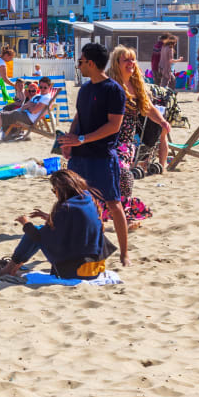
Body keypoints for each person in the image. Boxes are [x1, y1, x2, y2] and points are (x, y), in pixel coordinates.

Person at [56, 42, 130, 265]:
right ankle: (75, 249)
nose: (78, 65)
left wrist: (82, 139)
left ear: (90, 63)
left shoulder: (114, 90)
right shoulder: (85, 89)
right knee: (70, 203)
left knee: (113, 204)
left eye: (80, 61)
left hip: (102, 157)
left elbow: (113, 126)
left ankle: (125, 253)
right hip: (79, 157)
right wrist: (70, 141)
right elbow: (78, 118)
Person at [0, 169, 110, 280]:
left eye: (54, 190)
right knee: (42, 230)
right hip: (96, 268)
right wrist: (48, 217)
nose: (54, 193)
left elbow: (39, 237)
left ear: (61, 190)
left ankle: (9, 268)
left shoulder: (66, 207)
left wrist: (25, 223)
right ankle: (15, 265)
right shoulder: (87, 199)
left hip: (77, 271)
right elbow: (77, 224)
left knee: (36, 232)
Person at [105, 45, 169, 225]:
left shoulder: (136, 85)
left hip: (125, 142)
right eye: (126, 59)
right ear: (117, 63)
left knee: (124, 175)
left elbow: (148, 108)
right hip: (105, 139)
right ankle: (106, 214)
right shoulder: (108, 85)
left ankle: (123, 214)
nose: (131, 63)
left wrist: (162, 121)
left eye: (133, 59)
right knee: (109, 178)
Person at [0, 76, 54, 143]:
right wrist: (31, 105)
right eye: (41, 87)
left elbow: (33, 111)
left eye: (45, 87)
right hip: (22, 113)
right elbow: (25, 105)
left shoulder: (46, 98)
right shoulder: (38, 96)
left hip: (27, 118)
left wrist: (30, 106)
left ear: (49, 87)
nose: (42, 89)